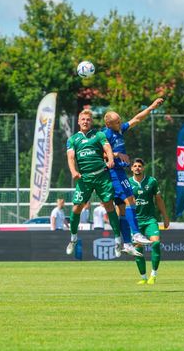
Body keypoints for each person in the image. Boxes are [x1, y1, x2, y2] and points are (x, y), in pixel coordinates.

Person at [103, 97, 164, 256]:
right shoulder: (105, 134)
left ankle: (127, 244)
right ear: (108, 124)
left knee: (122, 209)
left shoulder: (119, 130)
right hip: (114, 172)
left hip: (119, 172)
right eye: (117, 122)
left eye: (120, 121)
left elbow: (136, 119)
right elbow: (99, 154)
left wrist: (151, 107)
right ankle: (136, 233)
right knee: (131, 200)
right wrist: (116, 154)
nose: (120, 123)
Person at [65, 109, 122, 256]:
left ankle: (117, 240)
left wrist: (111, 159)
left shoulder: (99, 135)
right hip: (85, 178)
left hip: (102, 176)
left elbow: (107, 148)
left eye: (88, 119)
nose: (85, 122)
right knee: (76, 208)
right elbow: (70, 157)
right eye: (83, 119)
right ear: (79, 121)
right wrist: (73, 171)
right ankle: (73, 238)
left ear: (91, 122)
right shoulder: (72, 139)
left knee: (109, 205)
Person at [128, 158, 170, 285]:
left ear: (143, 168)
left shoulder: (152, 181)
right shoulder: (127, 183)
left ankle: (153, 274)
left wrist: (165, 216)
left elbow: (159, 200)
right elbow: (122, 203)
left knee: (156, 243)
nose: (137, 168)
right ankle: (143, 277)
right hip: (135, 221)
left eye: (139, 166)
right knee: (137, 249)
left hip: (150, 219)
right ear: (131, 168)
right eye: (135, 166)